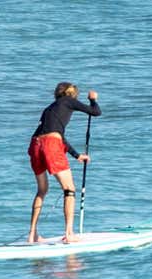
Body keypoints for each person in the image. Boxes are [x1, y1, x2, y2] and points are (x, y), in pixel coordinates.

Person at [27, 82, 101, 243]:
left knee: (42, 190)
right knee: (69, 189)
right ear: (71, 94)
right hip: (51, 145)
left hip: (35, 145)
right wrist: (93, 100)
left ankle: (32, 234)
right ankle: (69, 234)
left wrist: (76, 155)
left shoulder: (49, 108)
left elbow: (55, 134)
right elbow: (95, 112)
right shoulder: (69, 100)